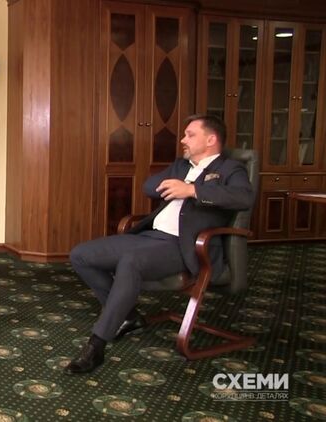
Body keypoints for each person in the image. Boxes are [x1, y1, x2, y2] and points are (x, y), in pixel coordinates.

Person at [66, 114, 255, 374]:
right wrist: (181, 181)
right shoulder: (181, 165)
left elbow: (244, 198)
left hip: (183, 246)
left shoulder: (230, 169)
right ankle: (129, 316)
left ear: (211, 139)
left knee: (131, 262)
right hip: (150, 237)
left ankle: (96, 346)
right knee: (81, 255)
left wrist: (193, 191)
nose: (183, 139)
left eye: (190, 135)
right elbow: (149, 186)